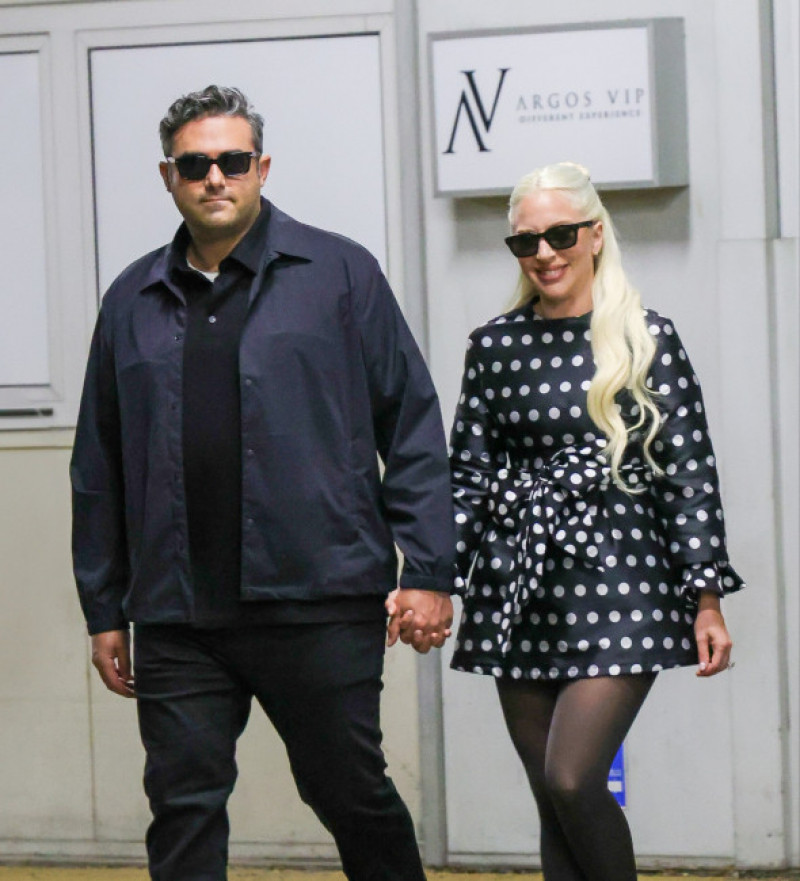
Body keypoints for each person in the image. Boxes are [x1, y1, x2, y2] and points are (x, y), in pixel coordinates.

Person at [71, 84, 454, 881]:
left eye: (233, 161)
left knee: (348, 790)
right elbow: (98, 463)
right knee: (183, 804)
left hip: (318, 600)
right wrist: (104, 607)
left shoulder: (341, 274)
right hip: (178, 614)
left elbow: (411, 424)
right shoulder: (130, 300)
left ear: (262, 167)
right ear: (169, 176)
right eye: (196, 163)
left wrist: (428, 571)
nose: (216, 177)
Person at [446, 161, 744, 881]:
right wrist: (432, 579)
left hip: (623, 584)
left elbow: (689, 476)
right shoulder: (494, 346)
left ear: (594, 234)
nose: (545, 253)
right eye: (526, 242)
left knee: (574, 778)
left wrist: (706, 598)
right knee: (554, 802)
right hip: (520, 591)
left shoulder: (647, 339)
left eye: (559, 235)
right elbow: (468, 476)